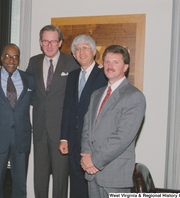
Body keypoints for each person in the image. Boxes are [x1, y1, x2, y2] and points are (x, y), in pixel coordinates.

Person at [80, 45, 146, 198]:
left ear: (126, 67)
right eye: (107, 62)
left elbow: (122, 137)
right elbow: (87, 128)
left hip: (115, 175)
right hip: (92, 174)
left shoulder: (134, 97)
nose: (110, 66)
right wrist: (86, 155)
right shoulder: (96, 94)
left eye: (116, 62)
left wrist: (94, 161)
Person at [26, 25, 79, 198]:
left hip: (61, 132)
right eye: (45, 41)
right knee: (39, 179)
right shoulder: (33, 62)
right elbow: (25, 87)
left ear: (60, 42)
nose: (49, 45)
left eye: (53, 41)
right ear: (41, 43)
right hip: (40, 130)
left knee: (60, 180)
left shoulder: (72, 63)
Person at [0, 43, 35, 198]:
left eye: (15, 57)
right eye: (7, 56)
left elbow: (41, 102)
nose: (11, 60)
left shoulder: (30, 80)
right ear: (1, 58)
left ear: (19, 59)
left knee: (20, 185)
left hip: (21, 139)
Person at [59, 34, 107, 198]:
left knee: (93, 188)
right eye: (77, 49)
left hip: (94, 144)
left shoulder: (104, 74)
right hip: (73, 143)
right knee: (77, 187)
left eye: (85, 47)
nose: (81, 52)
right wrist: (64, 138)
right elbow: (68, 108)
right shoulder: (72, 76)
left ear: (94, 51)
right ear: (73, 55)